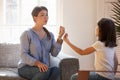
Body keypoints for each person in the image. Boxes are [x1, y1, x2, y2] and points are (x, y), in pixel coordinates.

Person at [18, 6, 65, 80]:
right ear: (35, 18)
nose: (45, 17)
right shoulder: (27, 34)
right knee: (44, 72)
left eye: (46, 14)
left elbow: (54, 53)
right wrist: (38, 63)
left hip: (44, 68)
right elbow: (23, 55)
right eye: (42, 15)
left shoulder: (50, 35)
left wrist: (59, 38)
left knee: (56, 70)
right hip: (26, 67)